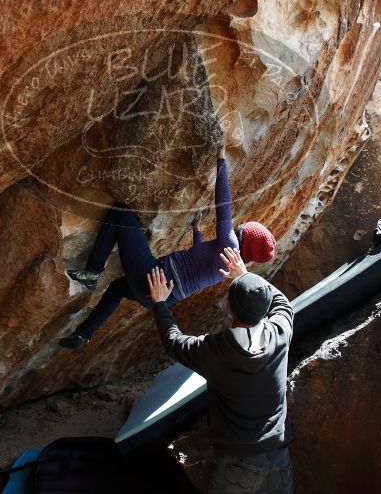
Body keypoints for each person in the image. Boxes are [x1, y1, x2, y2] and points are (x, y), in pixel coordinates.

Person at [58, 148, 277, 349]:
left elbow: (224, 205)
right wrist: (197, 232)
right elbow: (198, 262)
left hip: (152, 277)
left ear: (245, 238)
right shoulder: (231, 266)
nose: (239, 226)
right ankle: (83, 335)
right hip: (157, 297)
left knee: (120, 214)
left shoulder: (230, 245)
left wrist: (221, 161)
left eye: (245, 228)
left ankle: (92, 272)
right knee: (117, 288)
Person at [146, 247, 294, 494]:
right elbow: (281, 302)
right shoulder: (280, 332)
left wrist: (160, 303)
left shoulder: (215, 352)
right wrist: (245, 276)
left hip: (239, 462)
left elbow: (173, 342)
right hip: (278, 455)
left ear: (229, 307)